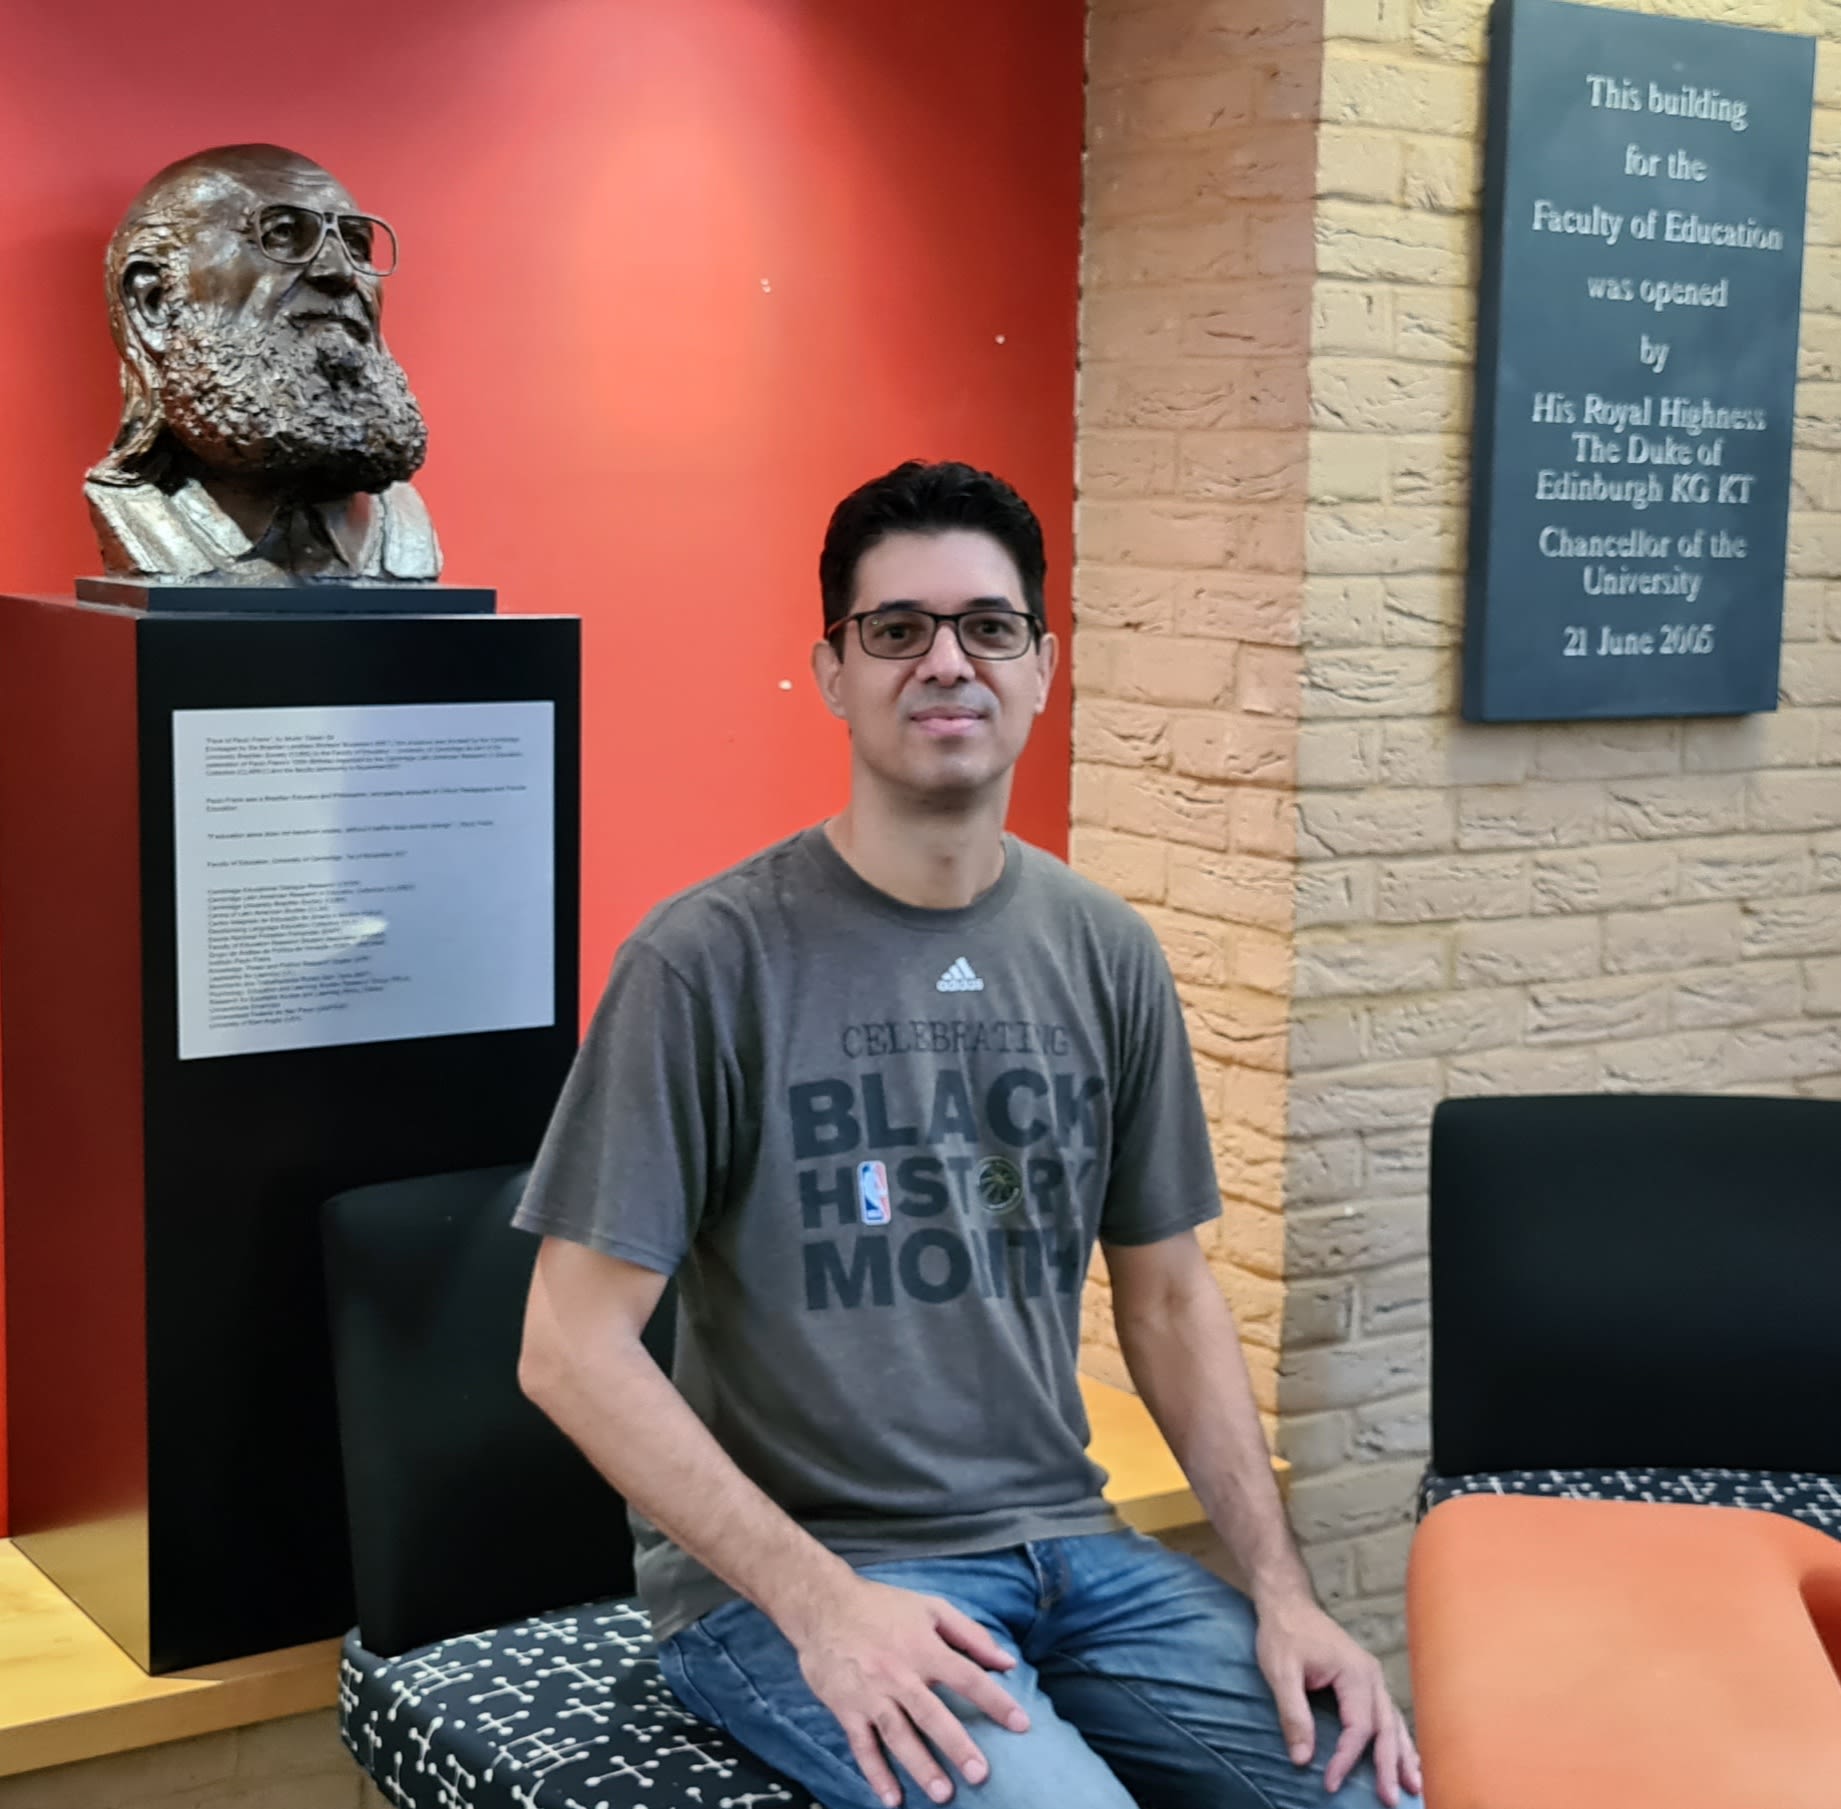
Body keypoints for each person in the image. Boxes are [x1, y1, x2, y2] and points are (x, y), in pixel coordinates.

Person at [516, 460, 1422, 1809]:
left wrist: (1284, 1594)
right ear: (832, 673)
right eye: (896, 629)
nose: (946, 661)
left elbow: (1169, 1298)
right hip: (802, 1583)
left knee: (1370, 1792)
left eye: (988, 627)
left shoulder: (1103, 951)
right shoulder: (705, 962)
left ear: (1041, 667)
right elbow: (569, 1350)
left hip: (1075, 1552)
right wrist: (824, 1607)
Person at [86, 143, 438, 585]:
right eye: (282, 235)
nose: (340, 271)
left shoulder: (403, 533)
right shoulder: (141, 521)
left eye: (355, 244)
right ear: (154, 302)